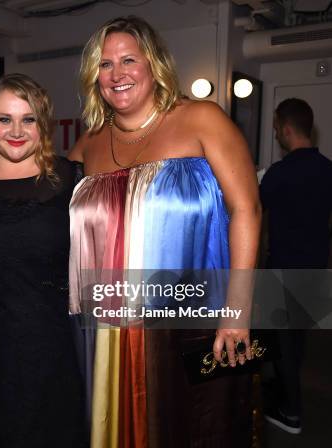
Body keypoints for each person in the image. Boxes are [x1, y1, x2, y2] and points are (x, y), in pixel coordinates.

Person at [67, 16, 261, 447]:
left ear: (153, 64)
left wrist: (237, 310)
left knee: (201, 426)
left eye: (128, 60)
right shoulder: (91, 142)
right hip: (113, 330)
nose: (116, 74)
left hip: (196, 316)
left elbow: (247, 208)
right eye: (104, 64)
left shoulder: (201, 118)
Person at [0, 73, 86, 447]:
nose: (17, 130)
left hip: (56, 348)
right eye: (4, 119)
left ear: (42, 123)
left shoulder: (70, 178)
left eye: (28, 119)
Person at [260, 98, 332, 434]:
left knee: (282, 345)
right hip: (316, 268)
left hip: (283, 269)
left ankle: (291, 413)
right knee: (297, 341)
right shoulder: (328, 170)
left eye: (276, 128)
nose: (276, 134)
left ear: (286, 129)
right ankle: (287, 397)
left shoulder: (279, 173)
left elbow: (253, 212)